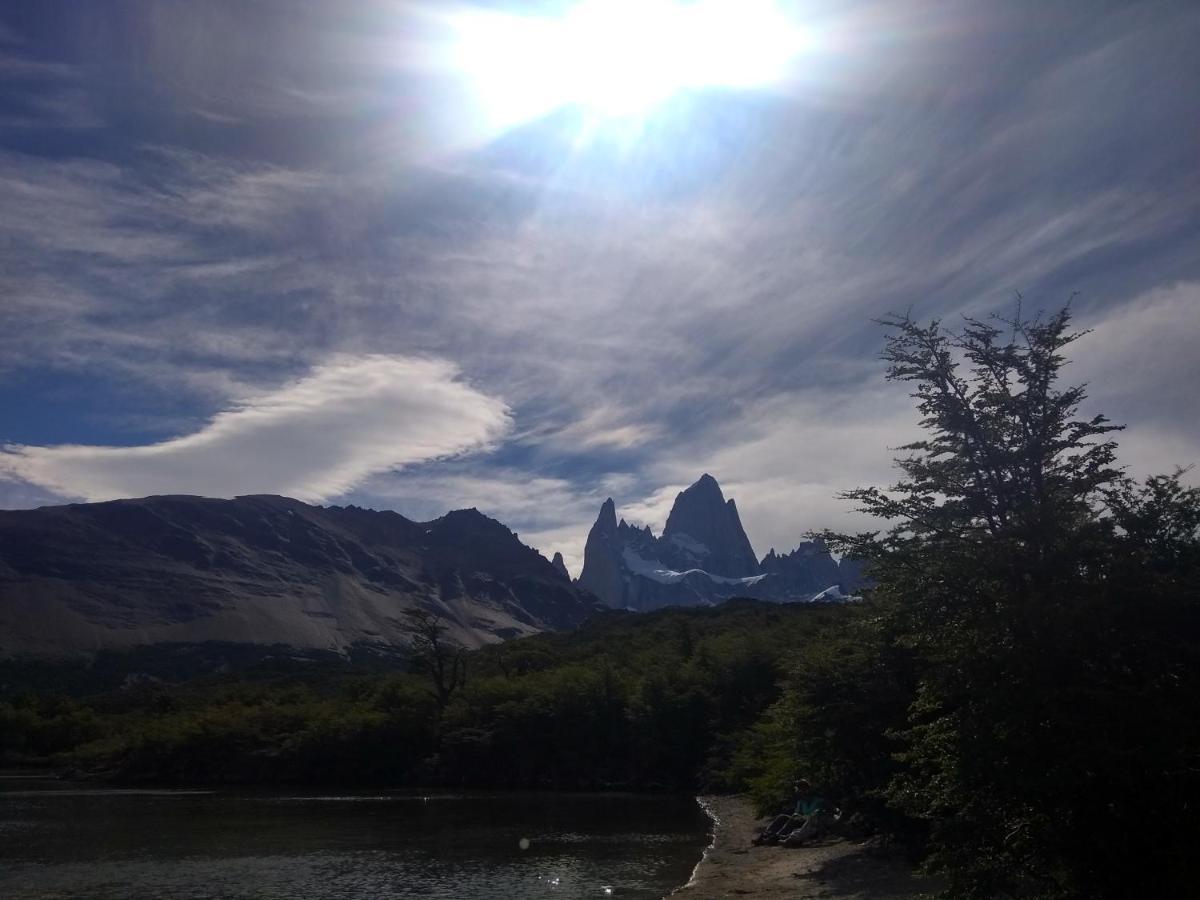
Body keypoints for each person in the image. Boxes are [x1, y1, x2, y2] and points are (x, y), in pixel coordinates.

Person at [753, 779, 826, 846]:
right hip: (802, 820)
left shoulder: (817, 800)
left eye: (801, 790)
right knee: (782, 817)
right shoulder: (801, 802)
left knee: (794, 820)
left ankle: (777, 836)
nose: (800, 792)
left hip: (810, 823)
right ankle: (766, 835)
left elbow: (817, 814)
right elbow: (798, 812)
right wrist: (798, 815)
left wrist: (801, 816)